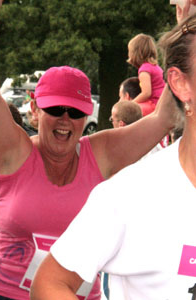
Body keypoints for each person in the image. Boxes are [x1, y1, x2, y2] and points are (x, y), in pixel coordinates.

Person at [0, 1, 178, 299]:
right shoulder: (15, 152)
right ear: (35, 109)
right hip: (5, 294)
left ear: (87, 117)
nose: (65, 119)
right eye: (55, 108)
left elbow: (165, 118)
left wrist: (187, 29)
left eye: (75, 111)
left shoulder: (101, 152)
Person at [30, 6, 196, 299]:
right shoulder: (129, 194)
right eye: (56, 110)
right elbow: (49, 284)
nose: (65, 120)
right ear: (181, 84)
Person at [126, 33, 165, 116]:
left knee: (127, 113)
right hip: (162, 102)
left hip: (155, 104)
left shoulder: (144, 70)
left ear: (135, 52)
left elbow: (146, 93)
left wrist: (131, 104)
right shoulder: (155, 66)